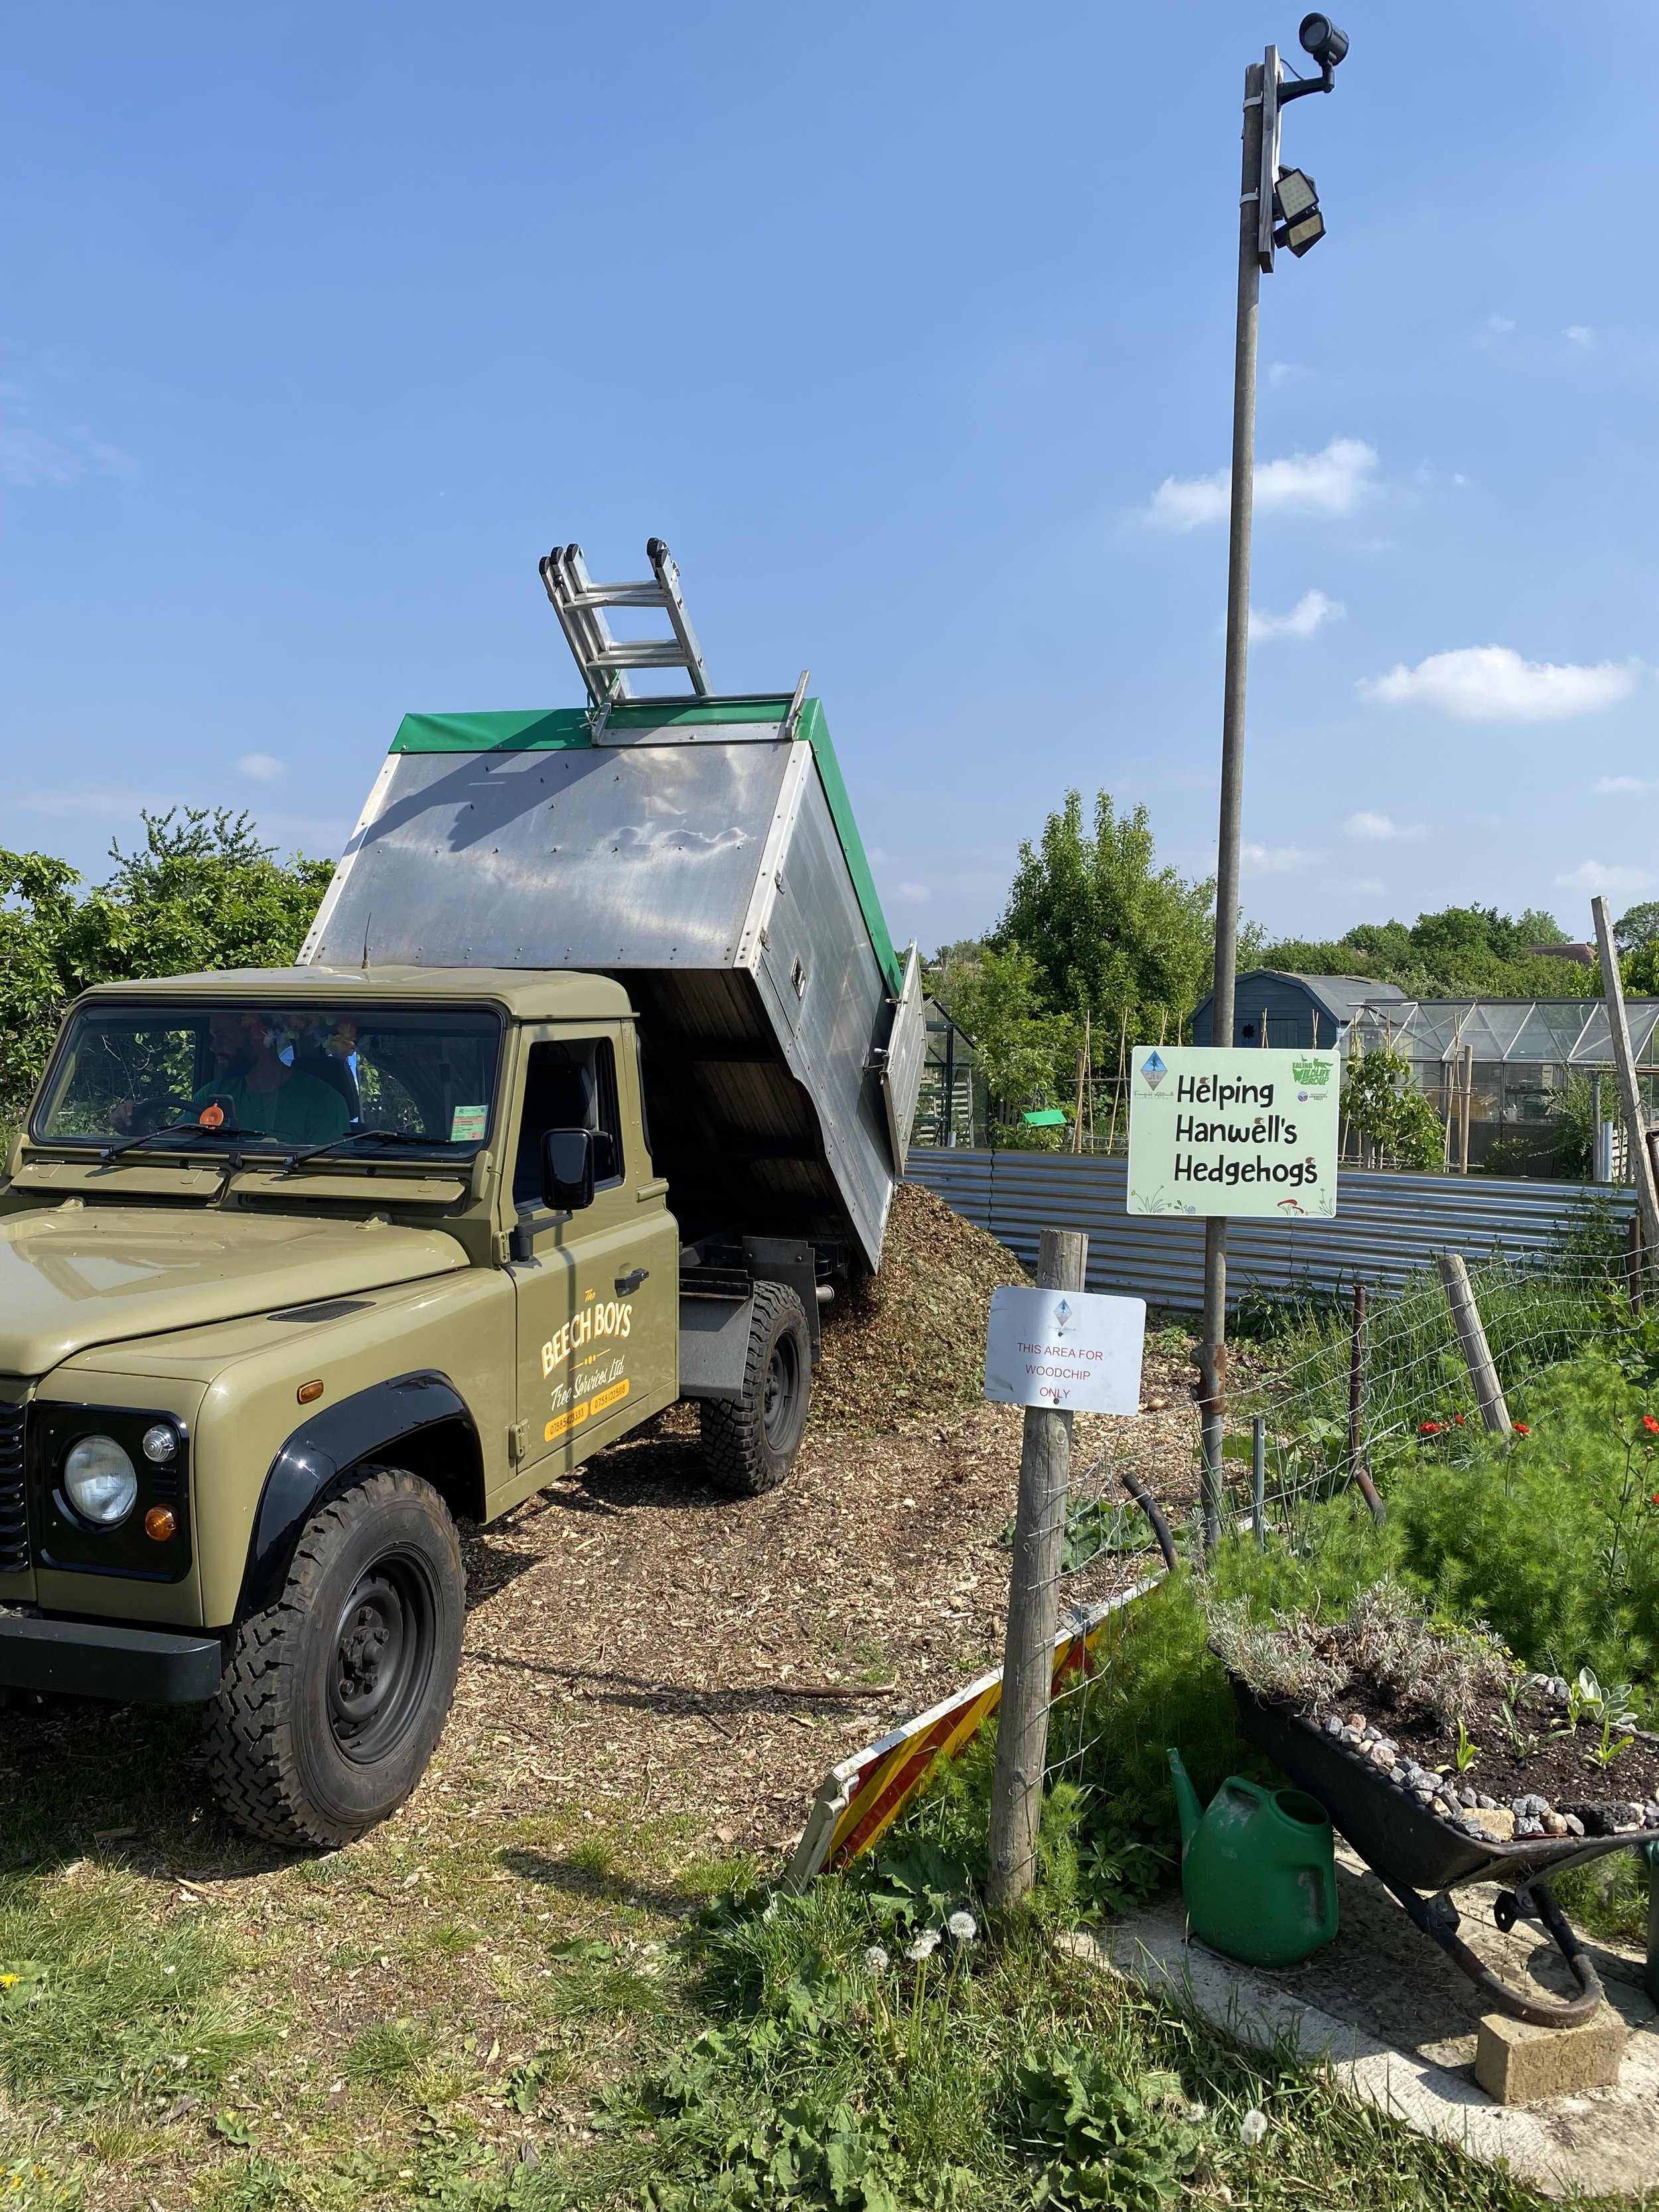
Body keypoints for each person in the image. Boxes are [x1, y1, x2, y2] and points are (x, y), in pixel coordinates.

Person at [193, 1009, 351, 1147]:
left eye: (223, 1036)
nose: (213, 1047)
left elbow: (326, 1175)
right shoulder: (212, 1095)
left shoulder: (323, 1101)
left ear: (258, 1034)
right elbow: (176, 1141)